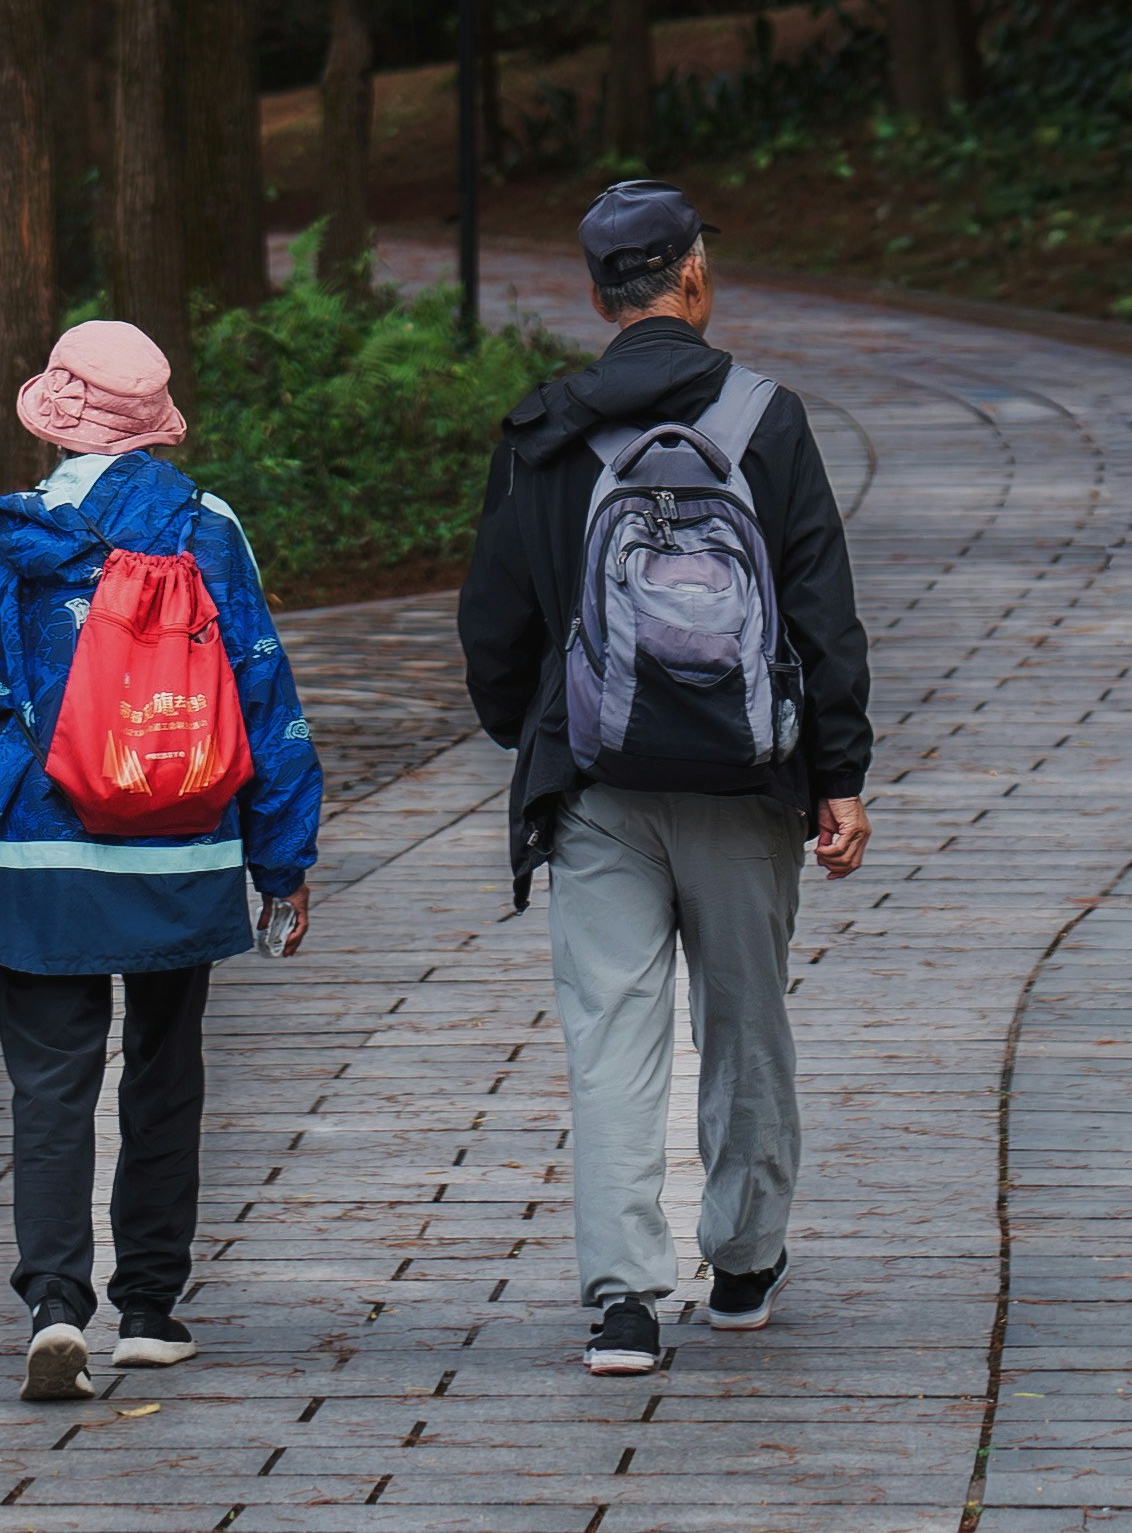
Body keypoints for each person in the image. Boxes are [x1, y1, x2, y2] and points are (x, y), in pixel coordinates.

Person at [0, 315, 323, 1407]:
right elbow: (262, 688)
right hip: (180, 842)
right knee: (165, 1074)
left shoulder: (17, 537)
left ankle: (55, 1304)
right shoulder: (206, 529)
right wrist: (283, 858)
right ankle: (152, 1311)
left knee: (51, 1085)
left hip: (43, 850)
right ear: (152, 423)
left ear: (60, 417)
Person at [459, 176, 872, 1376]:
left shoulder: (543, 430)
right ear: (693, 276)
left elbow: (495, 625)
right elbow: (821, 612)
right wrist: (836, 772)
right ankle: (741, 1266)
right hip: (749, 783)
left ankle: (626, 1301)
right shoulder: (769, 420)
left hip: (596, 783)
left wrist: (536, 731)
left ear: (598, 295)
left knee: (613, 1034)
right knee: (747, 1024)